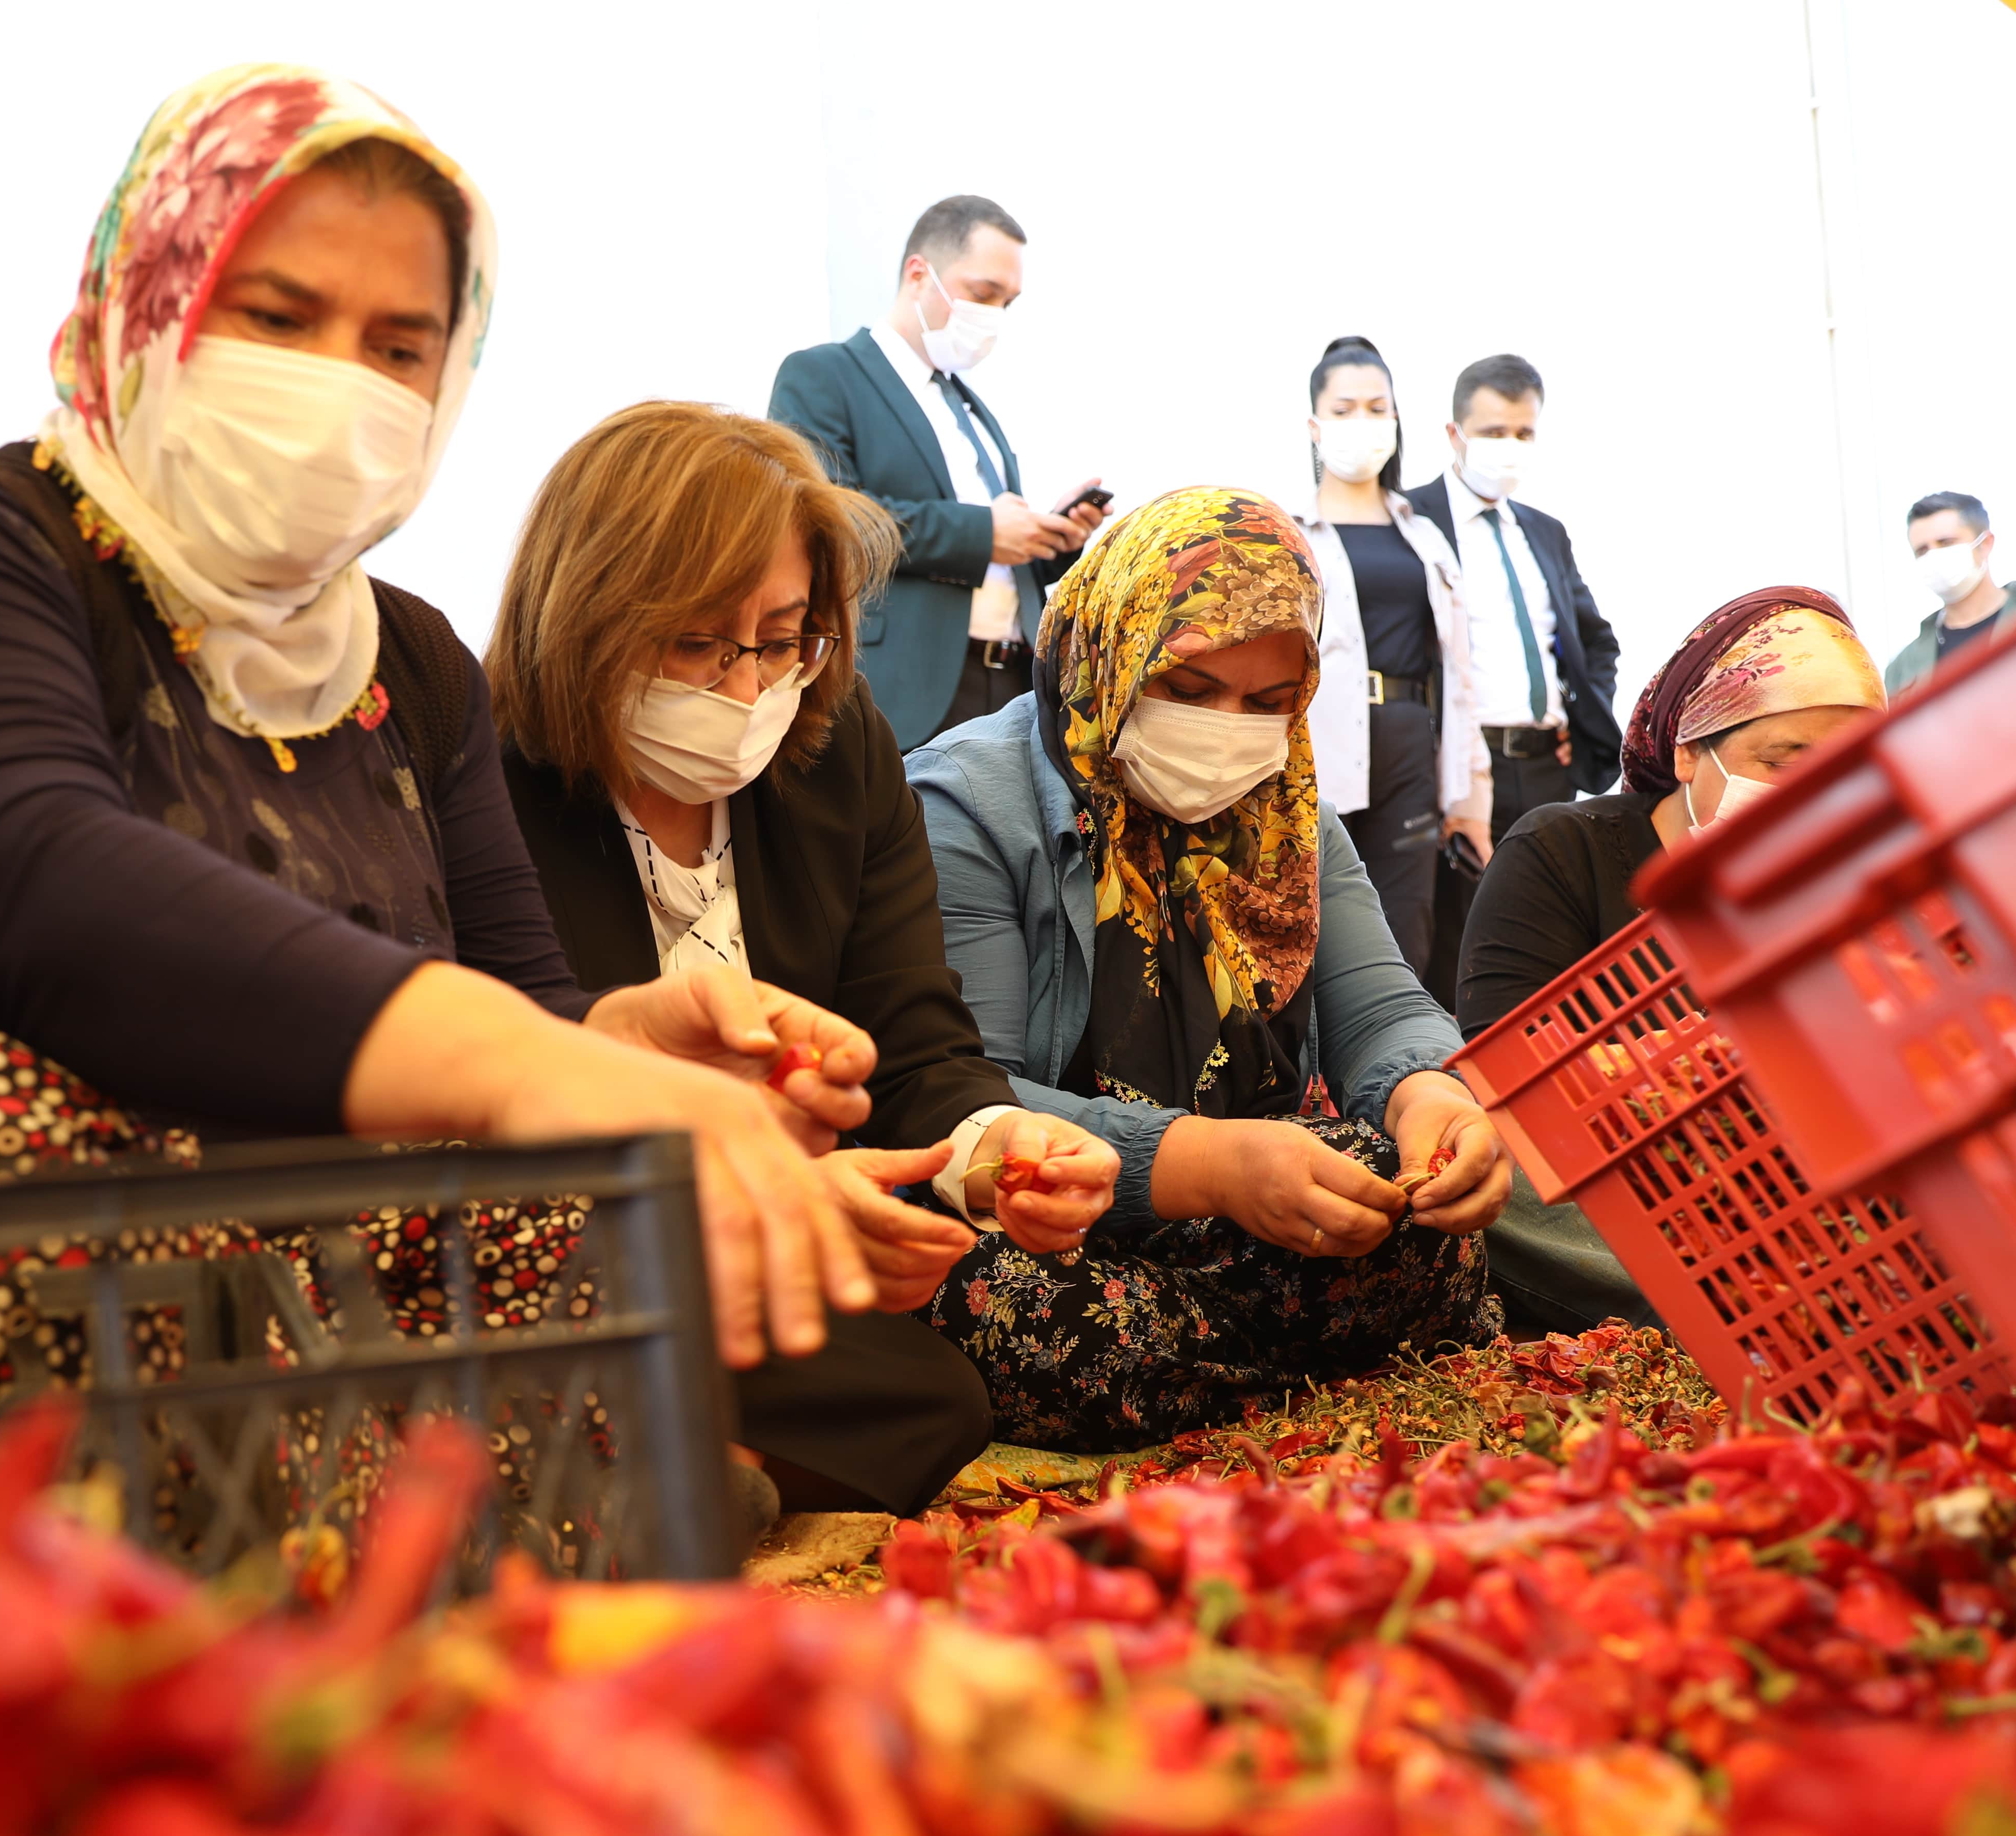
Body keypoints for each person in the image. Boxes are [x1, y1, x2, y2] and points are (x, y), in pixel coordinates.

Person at [0, 65, 876, 1392]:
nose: (338, 387)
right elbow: (40, 890)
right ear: (144, 301)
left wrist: (618, 1050)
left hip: (254, 1265)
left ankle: (353, 1513)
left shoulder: (412, 662)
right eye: (276, 315)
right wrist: (519, 1065)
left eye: (398, 349)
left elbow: (517, 1012)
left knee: (614, 1221)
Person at [489, 401, 1120, 1513]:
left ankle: (649, 1469)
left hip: (755, 1279)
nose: (744, 690)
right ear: (586, 616)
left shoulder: (833, 752)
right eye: (694, 641)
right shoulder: (482, 777)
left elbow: (913, 1040)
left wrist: (993, 1146)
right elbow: (491, 1095)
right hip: (553, 1262)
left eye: (781, 641)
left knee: (932, 1401)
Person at [908, 487, 1511, 1452]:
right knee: (1031, 1317)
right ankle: (1305, 1360)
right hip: (1051, 1225)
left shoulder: (1287, 814)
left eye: (1269, 705)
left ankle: (1238, 1361)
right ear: (1110, 650)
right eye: (1188, 692)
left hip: (1243, 1215)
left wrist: (1434, 1103)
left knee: (1399, 1206)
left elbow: (1384, 1008)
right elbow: (960, 1094)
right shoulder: (969, 809)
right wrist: (1207, 1166)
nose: (1230, 730)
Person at [1451, 586, 1888, 1336]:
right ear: (1690, 751)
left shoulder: (1862, 884)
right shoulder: (1563, 852)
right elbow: (1507, 1078)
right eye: (1784, 762)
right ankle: (1755, 1313)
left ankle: (1786, 1303)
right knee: (1484, 1172)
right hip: (1619, 1195)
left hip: (1794, 1188)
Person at [765, 197, 1101, 752]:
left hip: (1012, 688)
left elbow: (994, 548)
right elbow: (827, 518)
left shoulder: (969, 406)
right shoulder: (824, 375)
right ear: (919, 274)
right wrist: (984, 532)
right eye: (983, 294)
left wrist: (1049, 539)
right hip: (907, 691)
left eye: (1008, 303)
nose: (994, 315)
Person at [1404, 354, 1622, 1008]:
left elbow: (1595, 642)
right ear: (1454, 435)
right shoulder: (1408, 521)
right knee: (1458, 945)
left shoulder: (1544, 532)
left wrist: (1579, 722)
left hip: (1542, 767)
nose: (1510, 447)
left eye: (1524, 433)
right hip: (1459, 770)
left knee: (1550, 939)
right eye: (1495, 431)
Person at [1290, 337, 1484, 983]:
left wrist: (1469, 794)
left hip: (1408, 740)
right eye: (1344, 409)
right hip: (1316, 742)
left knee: (1405, 929)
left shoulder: (1423, 535)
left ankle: (1393, 1072)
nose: (1363, 423)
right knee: (1314, 920)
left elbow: (1460, 675)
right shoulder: (1288, 530)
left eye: (1378, 408)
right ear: (1315, 425)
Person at [1887, 491, 2016, 695]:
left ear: (1985, 544)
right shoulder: (1902, 670)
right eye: (1922, 551)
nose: (1934, 557)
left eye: (1946, 543)